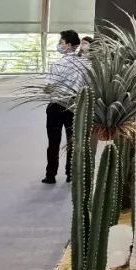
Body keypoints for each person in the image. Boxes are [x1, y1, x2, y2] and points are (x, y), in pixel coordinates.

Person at [43, 30, 91, 184]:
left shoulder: (57, 64)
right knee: (72, 141)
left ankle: (51, 175)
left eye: (61, 42)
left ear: (69, 45)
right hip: (74, 107)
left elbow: (48, 86)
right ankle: (70, 173)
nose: (59, 45)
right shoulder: (84, 65)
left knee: (53, 142)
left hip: (56, 106)